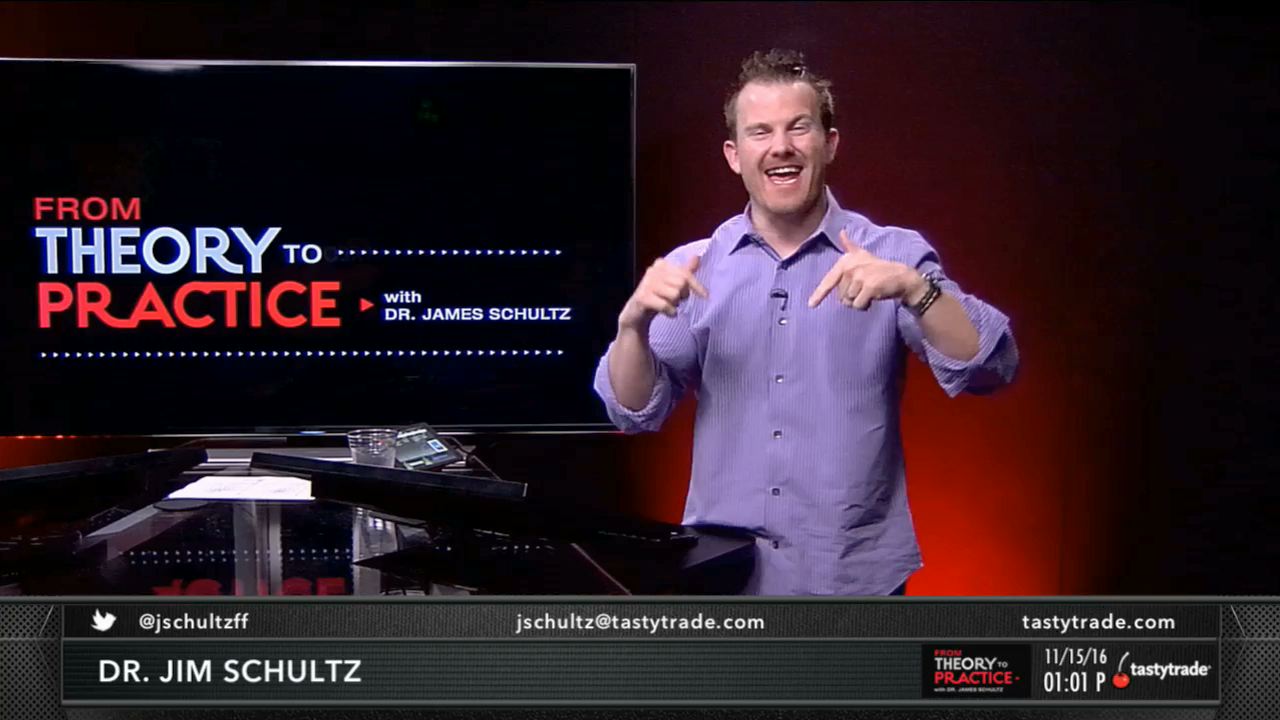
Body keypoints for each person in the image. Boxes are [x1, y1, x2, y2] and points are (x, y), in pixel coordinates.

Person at [593, 49, 1019, 595]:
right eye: (760, 132)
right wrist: (632, 327)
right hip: (727, 580)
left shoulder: (891, 256)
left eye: (799, 127)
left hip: (852, 583)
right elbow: (632, 412)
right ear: (734, 155)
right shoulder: (694, 268)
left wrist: (918, 291)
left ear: (829, 143)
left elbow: (990, 367)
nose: (781, 147)